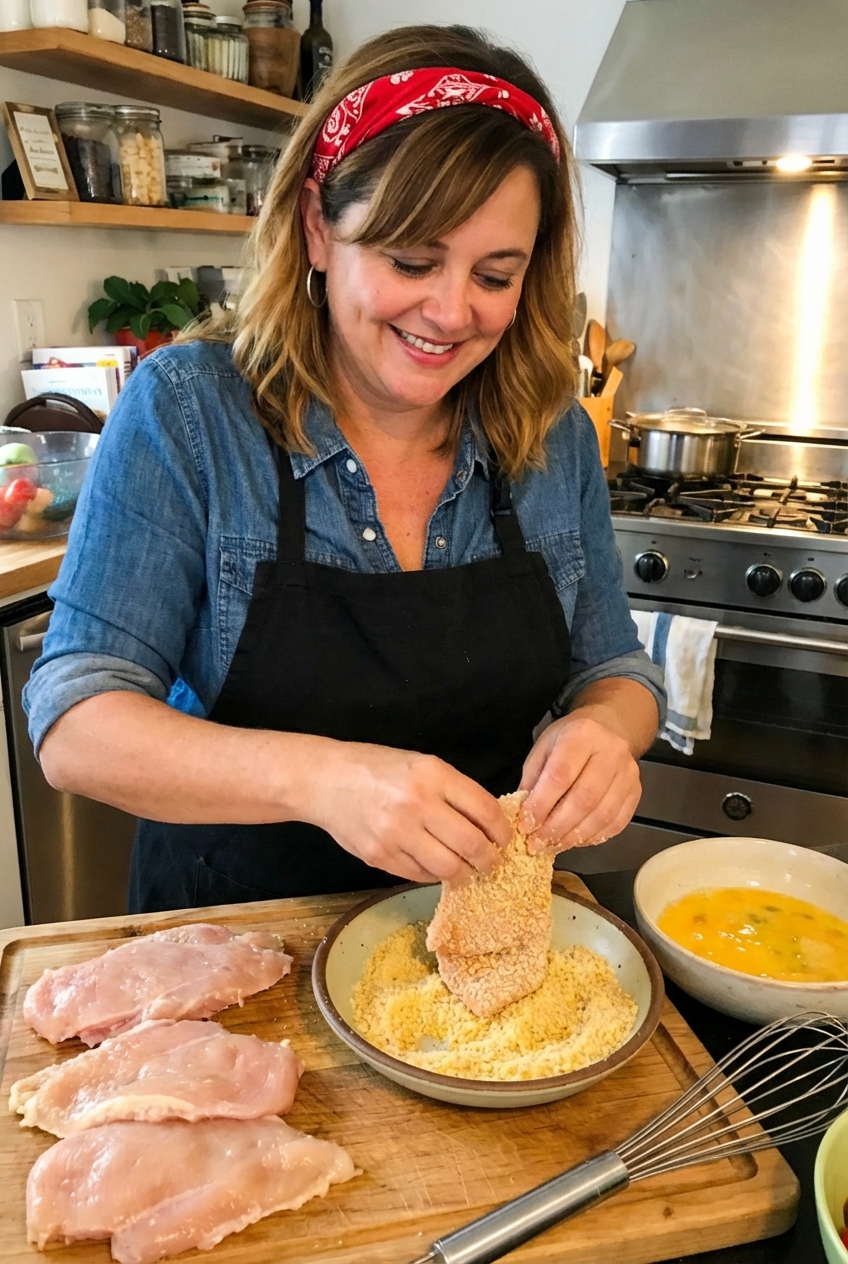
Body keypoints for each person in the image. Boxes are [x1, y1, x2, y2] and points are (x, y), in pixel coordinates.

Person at [24, 24, 665, 914]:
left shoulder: (550, 430)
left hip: (475, 962)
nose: (450, 312)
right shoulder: (192, 412)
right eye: (412, 260)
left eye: (495, 274)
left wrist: (604, 731)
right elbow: (75, 722)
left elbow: (620, 670)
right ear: (319, 227)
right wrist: (322, 780)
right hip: (235, 941)